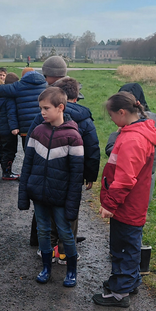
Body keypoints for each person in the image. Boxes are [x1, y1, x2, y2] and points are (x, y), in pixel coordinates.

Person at [93, 91, 156, 308]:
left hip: (126, 204)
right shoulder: (133, 131)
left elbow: (124, 178)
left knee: (123, 248)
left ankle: (119, 292)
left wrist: (109, 204)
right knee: (129, 244)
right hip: (131, 203)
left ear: (122, 112)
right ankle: (130, 281)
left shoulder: (133, 139)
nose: (111, 119)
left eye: (112, 115)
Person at [26, 76, 100, 260]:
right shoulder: (85, 119)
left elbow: (30, 142)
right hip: (72, 175)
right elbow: (92, 149)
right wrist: (90, 175)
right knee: (69, 212)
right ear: (75, 97)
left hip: (46, 172)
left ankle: (48, 247)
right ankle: (64, 250)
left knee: (47, 211)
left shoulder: (42, 117)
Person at [18, 86, 84, 287]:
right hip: (39, 194)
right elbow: (27, 165)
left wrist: (72, 204)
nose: (42, 112)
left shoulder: (73, 137)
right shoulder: (38, 132)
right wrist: (24, 194)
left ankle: (71, 271)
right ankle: (46, 268)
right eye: (41, 108)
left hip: (61, 197)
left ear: (60, 107)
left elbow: (76, 176)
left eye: (46, 108)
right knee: (43, 231)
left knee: (65, 233)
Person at [106, 82, 156, 204]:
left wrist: (115, 135)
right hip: (142, 192)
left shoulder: (133, 137)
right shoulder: (149, 129)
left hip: (127, 196)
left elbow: (119, 159)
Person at [0, 66, 47, 150]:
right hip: (42, 125)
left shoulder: (19, 86)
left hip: (25, 128)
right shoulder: (45, 85)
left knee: (28, 151)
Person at [0, 71, 20, 180]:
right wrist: (14, 128)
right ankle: (7, 172)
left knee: (3, 151)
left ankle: (5, 170)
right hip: (8, 130)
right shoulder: (9, 99)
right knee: (10, 151)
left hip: (0, 129)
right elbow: (11, 114)